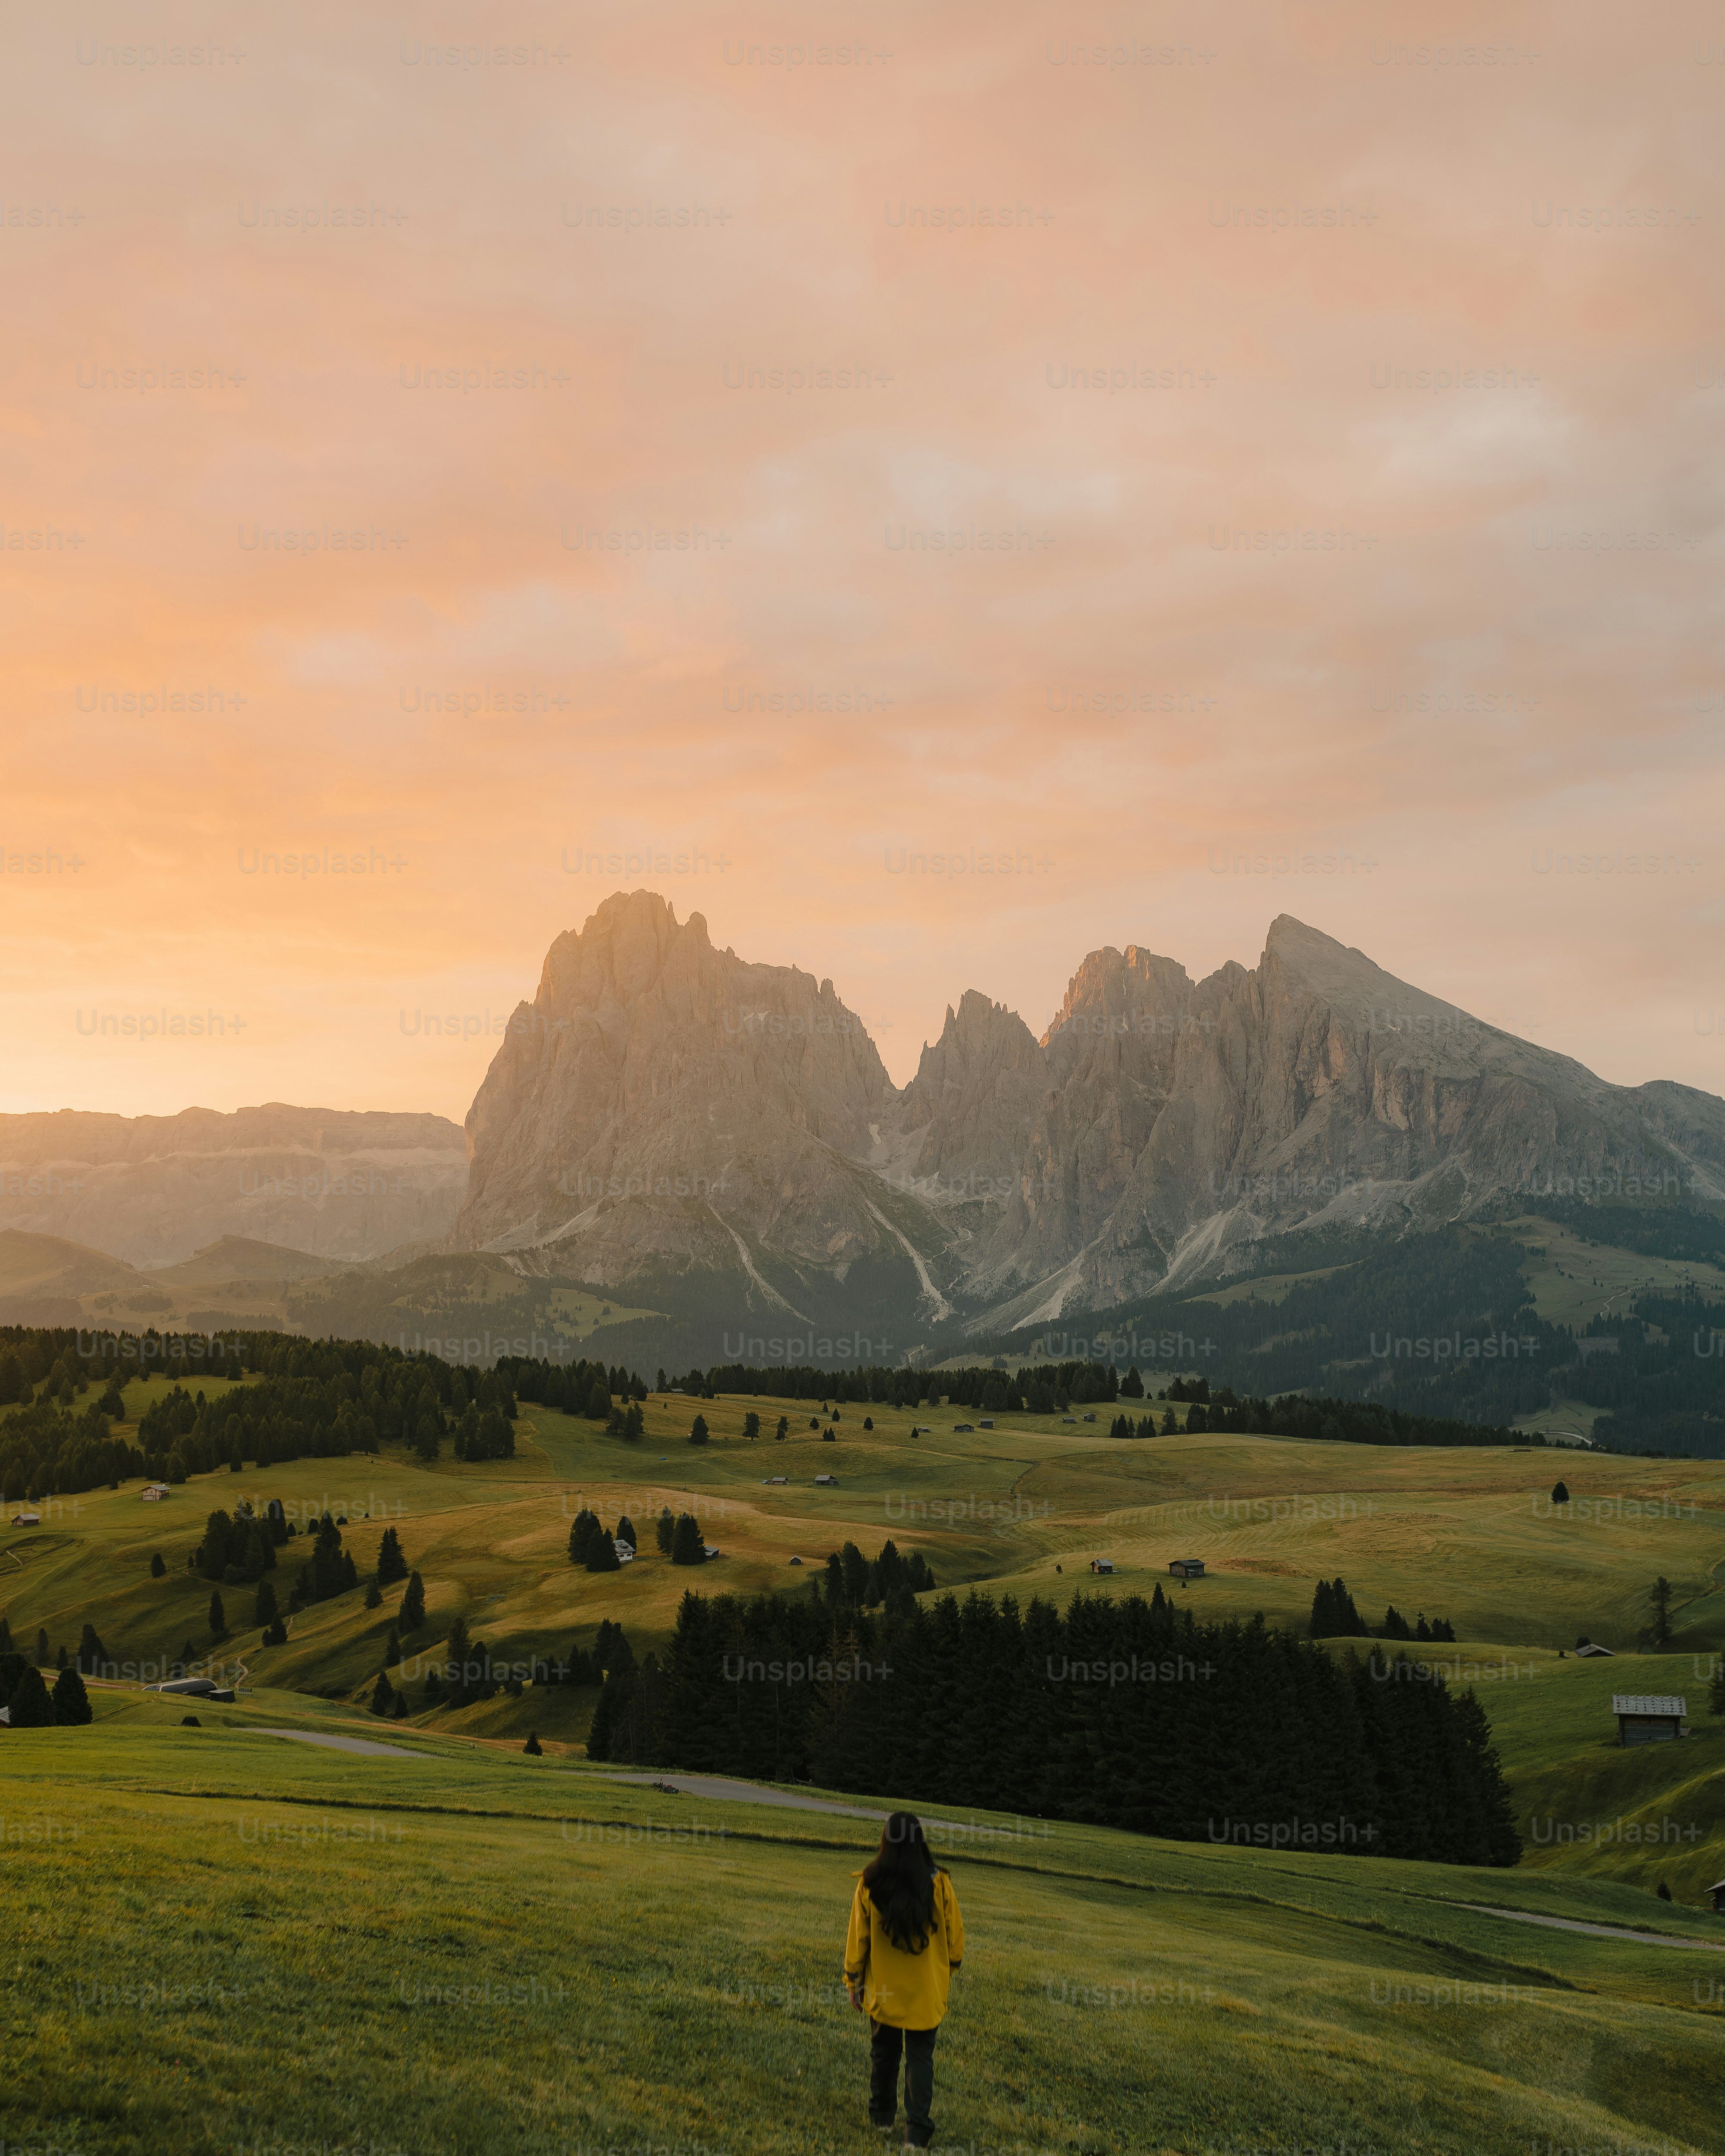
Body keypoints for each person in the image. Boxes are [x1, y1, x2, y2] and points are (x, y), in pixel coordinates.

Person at [843, 1811, 964, 2148]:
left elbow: (858, 1940)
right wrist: (948, 1969)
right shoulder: (940, 1884)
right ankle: (917, 2132)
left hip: (883, 1992)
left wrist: (853, 1980)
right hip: (927, 1993)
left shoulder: (870, 1883)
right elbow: (955, 1943)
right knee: (920, 2060)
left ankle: (882, 2118)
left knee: (884, 2055)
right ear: (920, 1841)